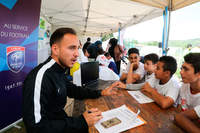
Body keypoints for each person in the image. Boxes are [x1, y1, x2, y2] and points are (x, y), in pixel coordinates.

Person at [22, 28, 117, 133]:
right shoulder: (40, 77)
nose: (77, 54)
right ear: (55, 49)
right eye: (72, 48)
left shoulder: (59, 70)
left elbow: (73, 90)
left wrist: (101, 92)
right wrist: (82, 121)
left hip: (63, 122)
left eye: (77, 48)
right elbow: (35, 127)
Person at [174, 53, 200, 133]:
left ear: (199, 74)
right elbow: (181, 111)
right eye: (181, 68)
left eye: (186, 69)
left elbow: (179, 117)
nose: (181, 72)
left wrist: (180, 117)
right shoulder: (185, 86)